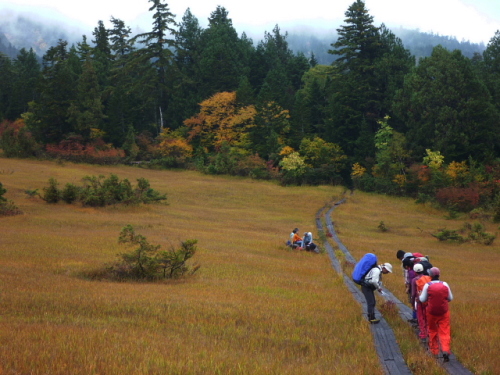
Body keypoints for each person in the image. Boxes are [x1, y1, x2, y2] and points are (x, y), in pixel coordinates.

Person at [419, 267, 453, 362]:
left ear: (430, 276)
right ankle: (445, 350)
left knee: (432, 330)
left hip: (431, 313)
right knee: (445, 331)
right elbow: (450, 298)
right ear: (439, 275)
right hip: (444, 312)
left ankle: (434, 351)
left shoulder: (427, 285)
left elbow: (422, 300)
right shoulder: (445, 284)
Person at [412, 263, 431, 341]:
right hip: (429, 301)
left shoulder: (414, 280)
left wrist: (413, 302)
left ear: (415, 271)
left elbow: (413, 293)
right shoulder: (428, 278)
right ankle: (429, 332)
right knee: (427, 317)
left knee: (421, 317)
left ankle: (423, 333)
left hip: (419, 301)